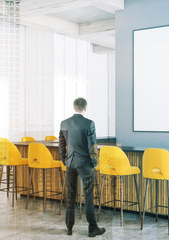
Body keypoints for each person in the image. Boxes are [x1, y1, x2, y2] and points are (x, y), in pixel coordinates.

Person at [59, 97, 106, 238]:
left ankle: (69, 228)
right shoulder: (89, 123)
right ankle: (92, 229)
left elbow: (62, 144)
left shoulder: (64, 123)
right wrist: (94, 162)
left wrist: (64, 160)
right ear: (85, 108)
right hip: (85, 164)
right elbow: (93, 146)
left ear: (74, 107)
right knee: (88, 196)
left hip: (70, 163)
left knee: (71, 195)